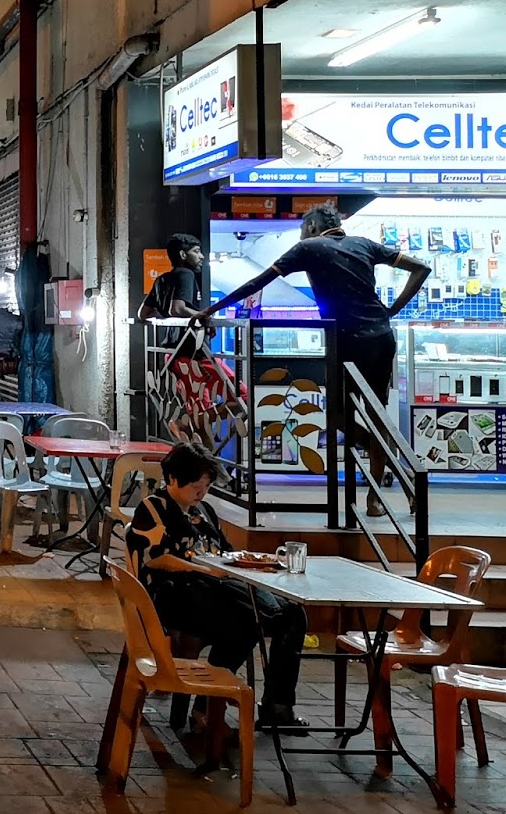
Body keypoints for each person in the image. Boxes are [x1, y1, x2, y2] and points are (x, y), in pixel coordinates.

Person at [197, 204, 430, 513]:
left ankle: (382, 481)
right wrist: (392, 311)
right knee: (377, 415)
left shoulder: (308, 247)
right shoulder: (365, 244)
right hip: (380, 337)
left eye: (302, 228)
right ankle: (379, 496)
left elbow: (257, 282)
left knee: (335, 415)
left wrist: (210, 310)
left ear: (310, 226)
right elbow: (421, 269)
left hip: (345, 340)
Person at [124, 445, 309, 733]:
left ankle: (278, 705)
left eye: (206, 486)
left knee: (294, 614)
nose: (202, 493)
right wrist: (199, 568)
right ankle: (207, 710)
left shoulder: (204, 511)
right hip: (176, 595)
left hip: (217, 588)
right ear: (173, 479)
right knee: (247, 620)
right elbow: (156, 558)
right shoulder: (152, 507)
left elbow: (225, 552)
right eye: (196, 486)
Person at [140, 233, 247, 448]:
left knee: (201, 414)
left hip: (174, 355)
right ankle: (188, 427)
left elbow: (143, 313)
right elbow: (177, 308)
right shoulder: (186, 274)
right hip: (193, 354)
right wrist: (203, 317)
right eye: (196, 251)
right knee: (242, 397)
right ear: (182, 254)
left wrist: (165, 318)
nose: (202, 256)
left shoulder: (162, 279)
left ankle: (211, 470)